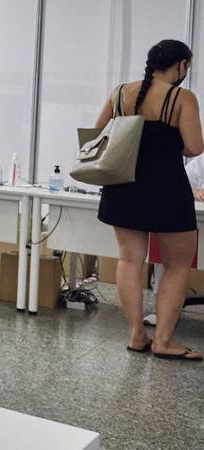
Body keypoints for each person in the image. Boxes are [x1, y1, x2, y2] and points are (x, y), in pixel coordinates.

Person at [94, 39, 203, 361]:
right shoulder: (181, 97)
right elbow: (195, 147)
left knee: (129, 260)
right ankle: (164, 341)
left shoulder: (119, 93)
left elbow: (97, 133)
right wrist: (167, 146)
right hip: (167, 187)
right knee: (177, 264)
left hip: (122, 186)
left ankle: (136, 334)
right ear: (181, 65)